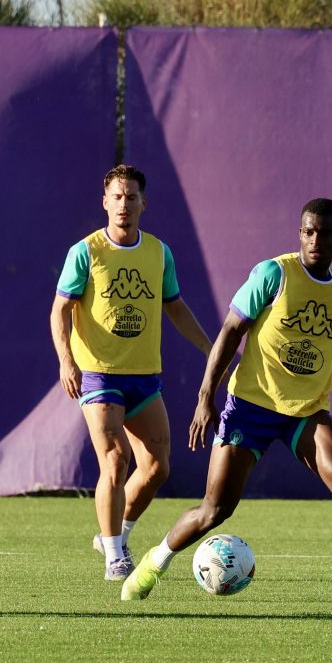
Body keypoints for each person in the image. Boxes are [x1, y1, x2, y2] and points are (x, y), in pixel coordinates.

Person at [120, 198, 332, 607]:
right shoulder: (273, 274)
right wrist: (207, 396)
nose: (315, 240)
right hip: (250, 406)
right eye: (308, 232)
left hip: (305, 411)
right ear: (300, 233)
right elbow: (230, 331)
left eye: (325, 233)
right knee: (215, 510)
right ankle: (153, 563)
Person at [51, 165, 212, 580]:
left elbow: (175, 306)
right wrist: (67, 360)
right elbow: (60, 310)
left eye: (131, 197)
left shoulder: (158, 252)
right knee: (115, 458)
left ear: (144, 203)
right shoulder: (86, 251)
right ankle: (114, 558)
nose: (124, 204)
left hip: (144, 376)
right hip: (99, 374)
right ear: (105, 202)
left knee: (157, 468)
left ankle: (114, 536)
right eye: (117, 197)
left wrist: (210, 349)